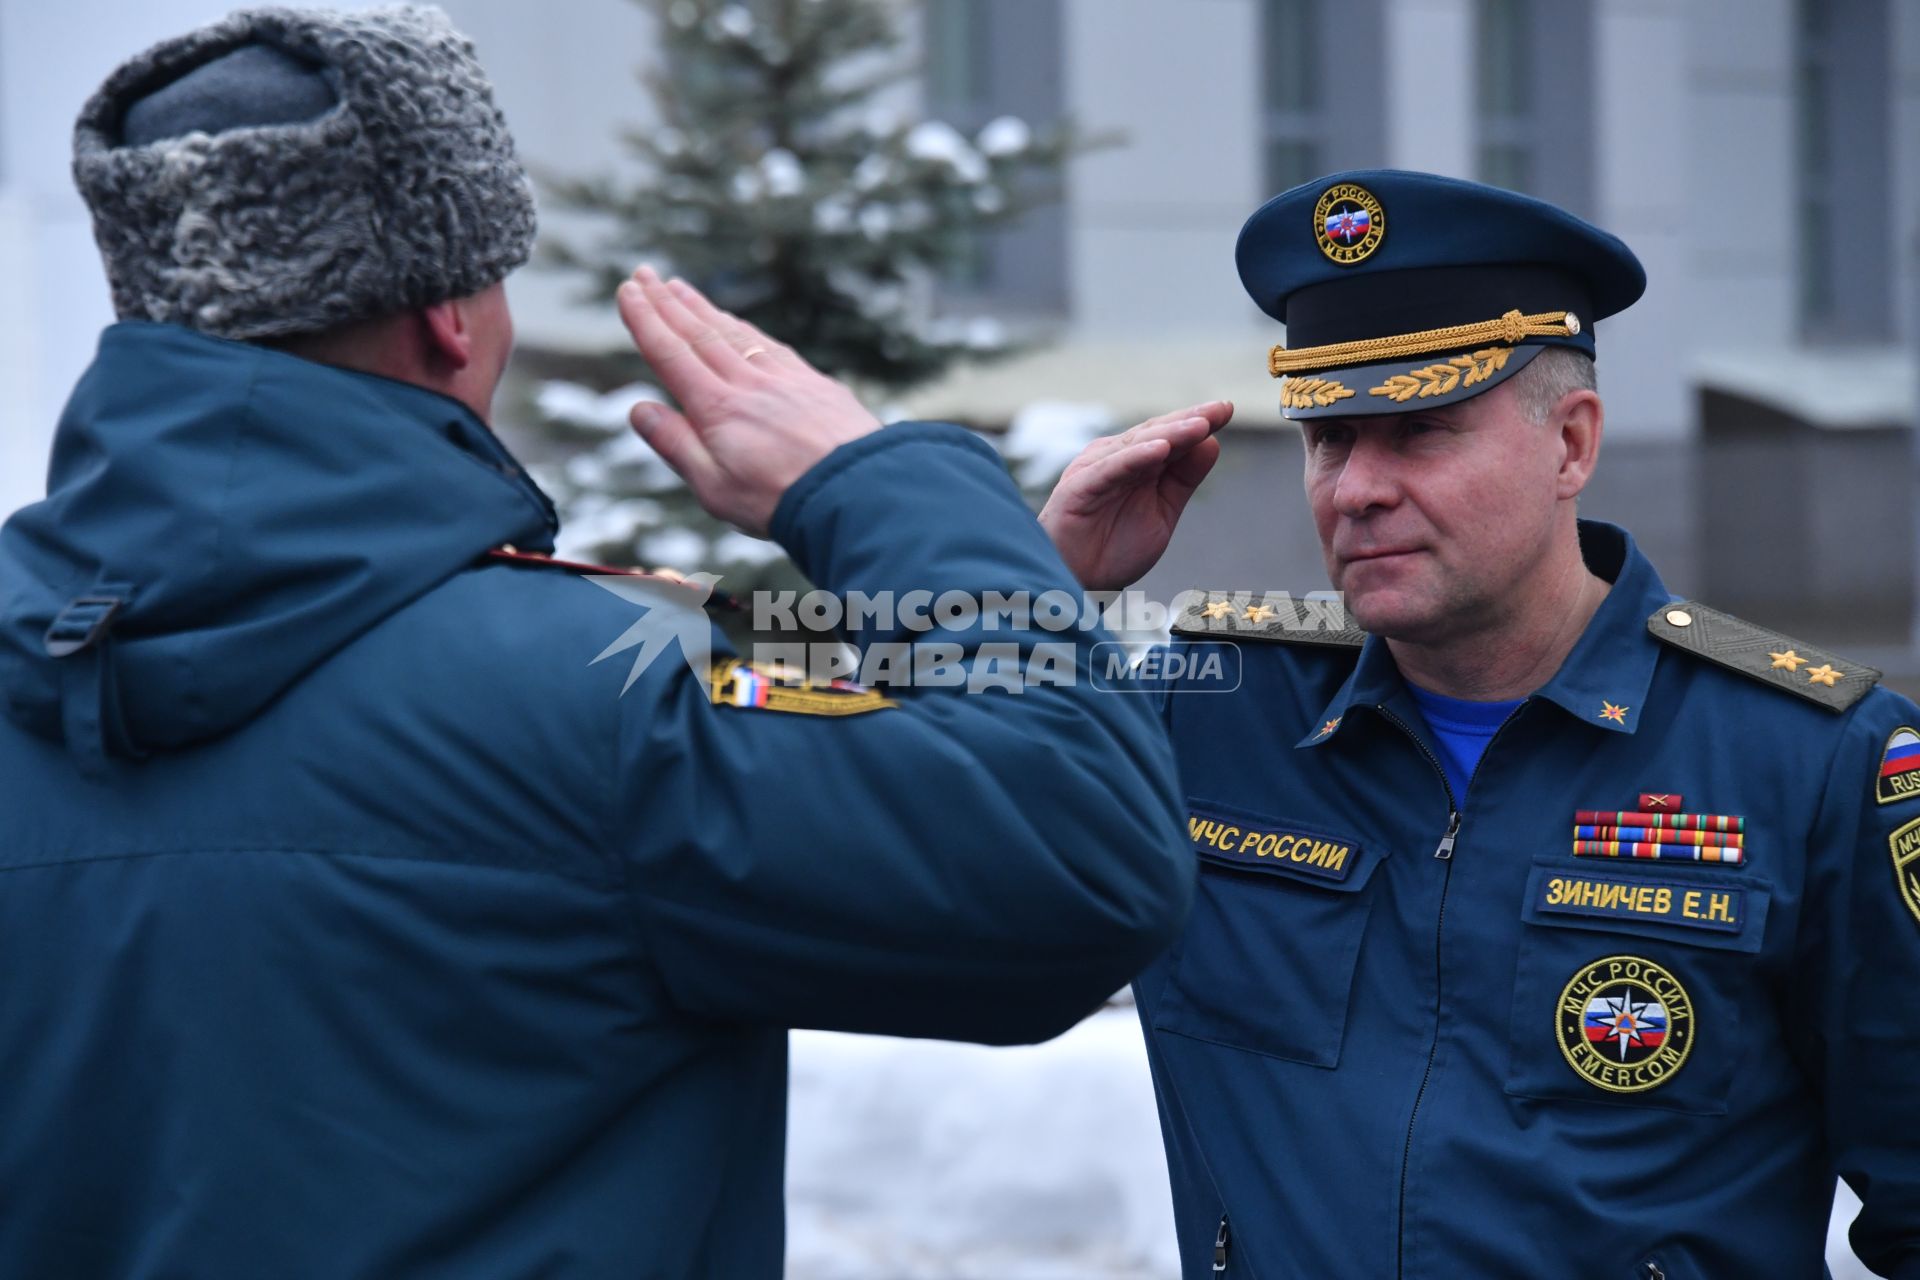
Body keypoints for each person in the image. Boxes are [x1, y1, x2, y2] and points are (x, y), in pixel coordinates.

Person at [0, 8, 1193, 1276]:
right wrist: (881, 489)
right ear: (453, 316)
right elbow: (1072, 856)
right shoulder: (627, 667)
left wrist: (999, 611)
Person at [1041, 169, 1920, 1279]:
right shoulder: (1206, 712)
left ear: (1572, 445)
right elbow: (906, 874)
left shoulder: (1815, 760)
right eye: (1330, 438)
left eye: (1417, 431)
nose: (1355, 487)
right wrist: (1024, 598)